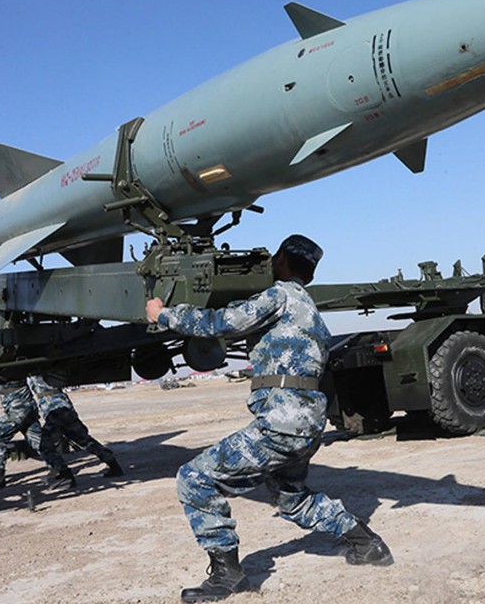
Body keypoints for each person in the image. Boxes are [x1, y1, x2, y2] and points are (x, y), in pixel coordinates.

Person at [146, 234, 392, 603]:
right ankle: (367, 544)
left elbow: (224, 322)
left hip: (282, 421)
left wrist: (163, 314)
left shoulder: (280, 295)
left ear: (281, 261)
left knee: (195, 479)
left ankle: (228, 575)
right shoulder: (308, 308)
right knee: (293, 499)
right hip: (305, 422)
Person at [27, 374, 124, 489]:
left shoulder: (40, 371)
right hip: (62, 407)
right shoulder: (44, 372)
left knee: (45, 446)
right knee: (84, 440)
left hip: (56, 409)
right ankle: (114, 465)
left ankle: (66, 476)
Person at [0, 379, 42, 490]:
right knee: (38, 441)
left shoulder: (2, 374)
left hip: (16, 409)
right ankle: (62, 471)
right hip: (28, 406)